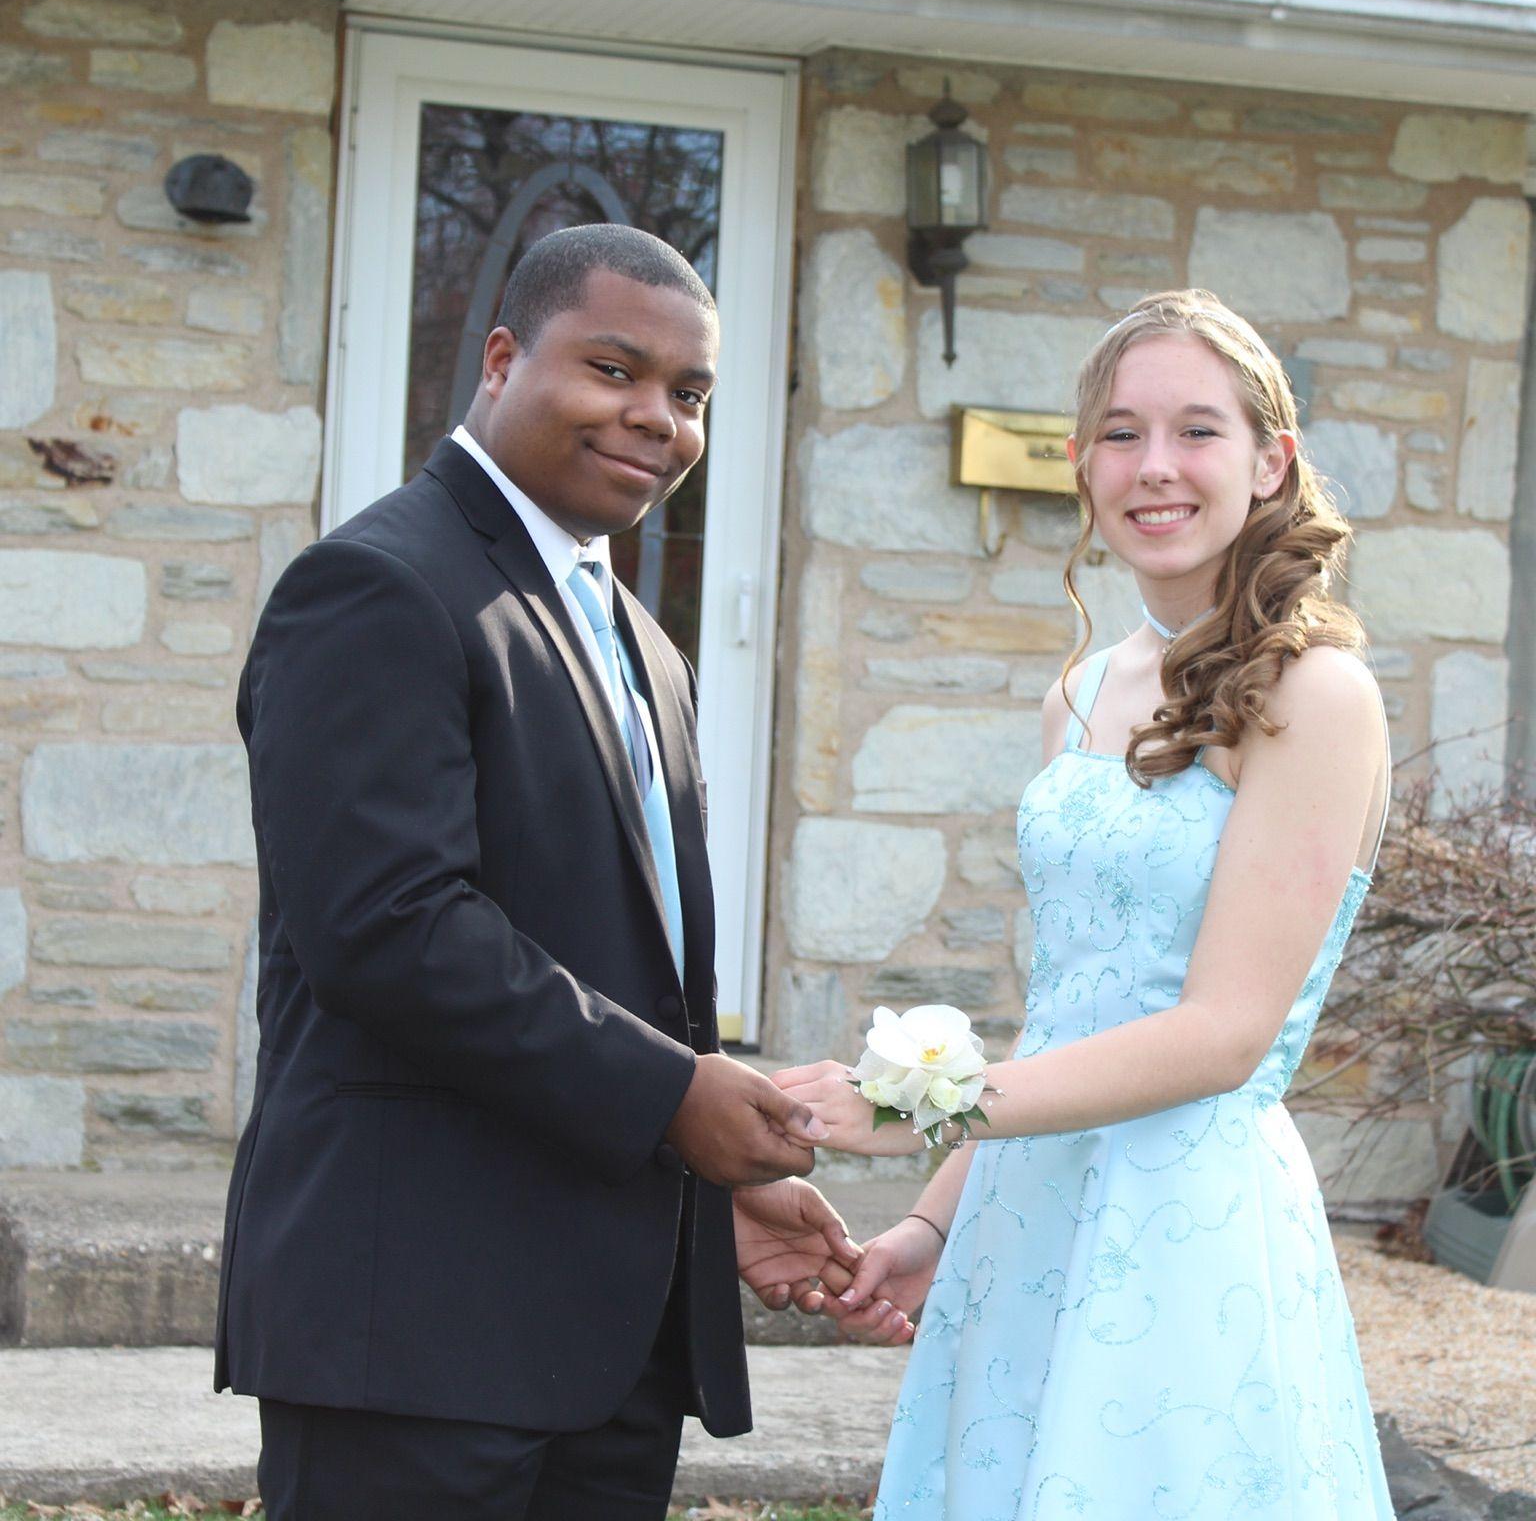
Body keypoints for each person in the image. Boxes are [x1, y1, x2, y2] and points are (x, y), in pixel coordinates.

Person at [215, 224, 860, 1521]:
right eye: (614, 369)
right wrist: (673, 1097)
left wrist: (701, 1181)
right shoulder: (378, 587)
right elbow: (390, 930)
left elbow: (619, 959)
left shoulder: (644, 644)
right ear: (503, 359)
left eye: (690, 394)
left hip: (610, 1338)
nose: (657, 417)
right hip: (415, 1330)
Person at [780, 289, 1397, 1518]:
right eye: (1121, 433)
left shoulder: (1316, 694)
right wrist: (936, 1224)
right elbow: (1071, 1010)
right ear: (1081, 462)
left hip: (1185, 1227)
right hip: (1030, 1213)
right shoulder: (1080, 693)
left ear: (1271, 461)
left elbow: (1222, 1034)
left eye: (1197, 430)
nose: (1153, 465)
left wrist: (920, 1105)